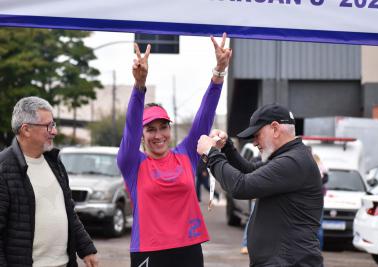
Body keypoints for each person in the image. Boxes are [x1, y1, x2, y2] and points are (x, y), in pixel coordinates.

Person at [116, 33, 232, 267]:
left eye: (163, 127)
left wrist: (218, 72)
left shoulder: (186, 154)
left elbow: (205, 116)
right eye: (150, 130)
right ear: (142, 135)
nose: (158, 135)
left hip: (188, 249)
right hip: (148, 251)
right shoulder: (132, 163)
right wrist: (139, 86)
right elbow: (130, 125)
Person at [197, 104, 324, 267]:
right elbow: (249, 171)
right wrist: (227, 147)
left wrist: (211, 154)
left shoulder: (293, 161)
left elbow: (241, 186)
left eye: (257, 135)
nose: (255, 142)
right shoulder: (289, 157)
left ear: (275, 129)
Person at [0, 96, 98, 267]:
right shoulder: (4, 168)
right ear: (26, 130)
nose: (55, 131)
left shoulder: (55, 163)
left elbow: (69, 211)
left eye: (53, 124)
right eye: (49, 126)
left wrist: (86, 249)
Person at [313, 153, 329, 250]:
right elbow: (326, 179)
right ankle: (319, 249)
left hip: (314, 198)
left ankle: (317, 248)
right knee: (319, 225)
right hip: (319, 198)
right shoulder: (323, 168)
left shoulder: (314, 167)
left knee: (316, 227)